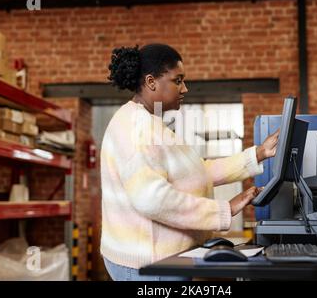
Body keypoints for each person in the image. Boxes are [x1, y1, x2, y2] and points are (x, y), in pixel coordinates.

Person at [100, 43, 279, 281]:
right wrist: (226, 209)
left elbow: (196, 170)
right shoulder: (138, 129)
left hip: (159, 260)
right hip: (148, 266)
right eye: (178, 80)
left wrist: (257, 154)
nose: (185, 88)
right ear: (152, 82)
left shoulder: (150, 122)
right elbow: (153, 198)